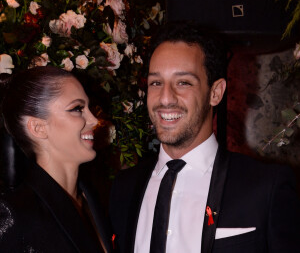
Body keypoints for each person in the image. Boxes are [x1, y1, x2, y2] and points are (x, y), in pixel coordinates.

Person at [109, 21, 300, 253]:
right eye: (156, 82)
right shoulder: (124, 187)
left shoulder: (266, 187)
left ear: (215, 92)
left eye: (183, 82)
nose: (165, 98)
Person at [0, 66, 111, 252]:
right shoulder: (14, 214)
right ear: (38, 128)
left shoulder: (95, 198)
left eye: (88, 107)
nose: (93, 120)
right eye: (77, 109)